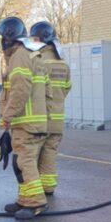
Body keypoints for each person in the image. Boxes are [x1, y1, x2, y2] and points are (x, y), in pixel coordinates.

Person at [0, 16, 49, 220]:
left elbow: (20, 90)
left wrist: (7, 116)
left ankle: (36, 203)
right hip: (33, 122)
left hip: (26, 122)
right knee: (22, 162)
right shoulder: (32, 55)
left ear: (9, 36)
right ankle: (24, 200)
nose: (1, 41)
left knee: (25, 162)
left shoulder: (19, 56)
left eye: (2, 37)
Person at [29, 21, 72, 197]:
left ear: (38, 39)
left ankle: (33, 192)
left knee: (32, 155)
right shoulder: (63, 64)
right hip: (57, 118)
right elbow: (67, 88)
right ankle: (48, 187)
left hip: (40, 117)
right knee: (50, 152)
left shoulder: (36, 60)